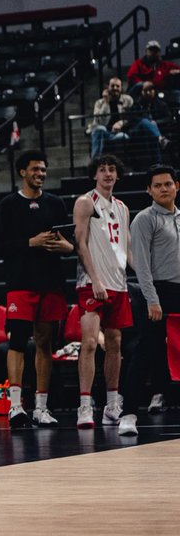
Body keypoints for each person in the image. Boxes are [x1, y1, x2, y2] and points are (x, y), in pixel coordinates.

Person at [0, 150, 74, 428]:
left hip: (51, 283)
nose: (41, 174)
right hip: (20, 284)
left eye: (43, 170)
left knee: (45, 343)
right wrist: (31, 242)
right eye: (35, 169)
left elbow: (69, 241)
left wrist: (65, 247)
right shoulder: (8, 205)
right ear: (22, 172)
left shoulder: (55, 203)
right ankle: (16, 406)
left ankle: (41, 407)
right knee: (17, 342)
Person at [72, 154, 132, 429]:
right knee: (89, 342)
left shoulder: (122, 207)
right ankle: (85, 406)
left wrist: (144, 275)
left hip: (118, 283)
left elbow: (127, 249)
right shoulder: (85, 202)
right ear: (94, 175)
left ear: (117, 175)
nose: (108, 174)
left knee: (115, 344)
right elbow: (80, 242)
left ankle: (112, 404)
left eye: (112, 169)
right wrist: (95, 279)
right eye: (102, 170)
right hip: (91, 283)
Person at [119, 165, 180, 436]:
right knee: (146, 349)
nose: (164, 189)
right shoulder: (144, 219)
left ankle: (166, 395)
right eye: (158, 185)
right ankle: (128, 413)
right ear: (149, 190)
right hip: (157, 291)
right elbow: (141, 265)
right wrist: (152, 299)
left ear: (177, 186)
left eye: (168, 183)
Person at [87, 77, 135, 158]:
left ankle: (117, 164)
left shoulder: (128, 100)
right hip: (104, 132)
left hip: (118, 132)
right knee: (100, 129)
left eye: (117, 86)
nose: (115, 88)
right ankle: (95, 162)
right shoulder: (99, 103)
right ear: (108, 88)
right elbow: (100, 122)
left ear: (121, 88)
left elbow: (132, 117)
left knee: (123, 137)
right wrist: (106, 102)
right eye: (112, 86)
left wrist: (121, 123)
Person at [127, 81, 172, 166]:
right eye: (145, 90)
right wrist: (149, 123)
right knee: (144, 122)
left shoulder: (161, 104)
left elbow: (168, 118)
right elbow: (133, 119)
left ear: (154, 91)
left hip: (153, 132)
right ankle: (160, 139)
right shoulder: (137, 104)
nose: (148, 93)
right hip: (138, 131)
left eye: (150, 90)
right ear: (141, 92)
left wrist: (156, 122)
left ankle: (158, 164)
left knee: (153, 136)